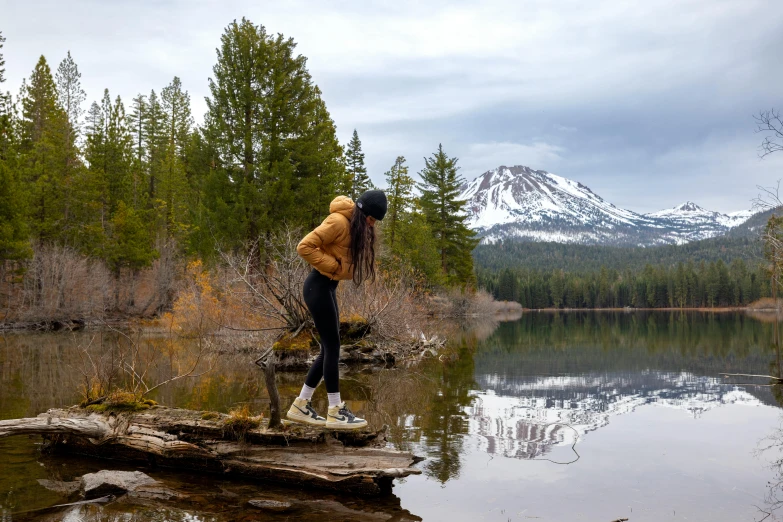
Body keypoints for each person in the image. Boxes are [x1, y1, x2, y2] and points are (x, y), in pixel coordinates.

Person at [286, 190, 387, 430]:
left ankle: (301, 405)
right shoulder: (338, 222)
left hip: (326, 288)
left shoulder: (355, 227)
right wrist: (334, 266)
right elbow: (305, 246)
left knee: (328, 348)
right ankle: (335, 410)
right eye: (371, 219)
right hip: (317, 287)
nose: (372, 225)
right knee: (332, 347)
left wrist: (336, 271)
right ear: (363, 213)